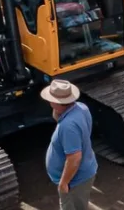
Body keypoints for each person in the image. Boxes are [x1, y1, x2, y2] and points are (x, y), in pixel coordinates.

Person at [43, 80, 98, 210]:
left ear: (56, 103)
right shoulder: (80, 107)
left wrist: (64, 183)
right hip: (84, 172)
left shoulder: (68, 126)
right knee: (81, 203)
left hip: (74, 181)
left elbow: (74, 158)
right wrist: (57, 111)